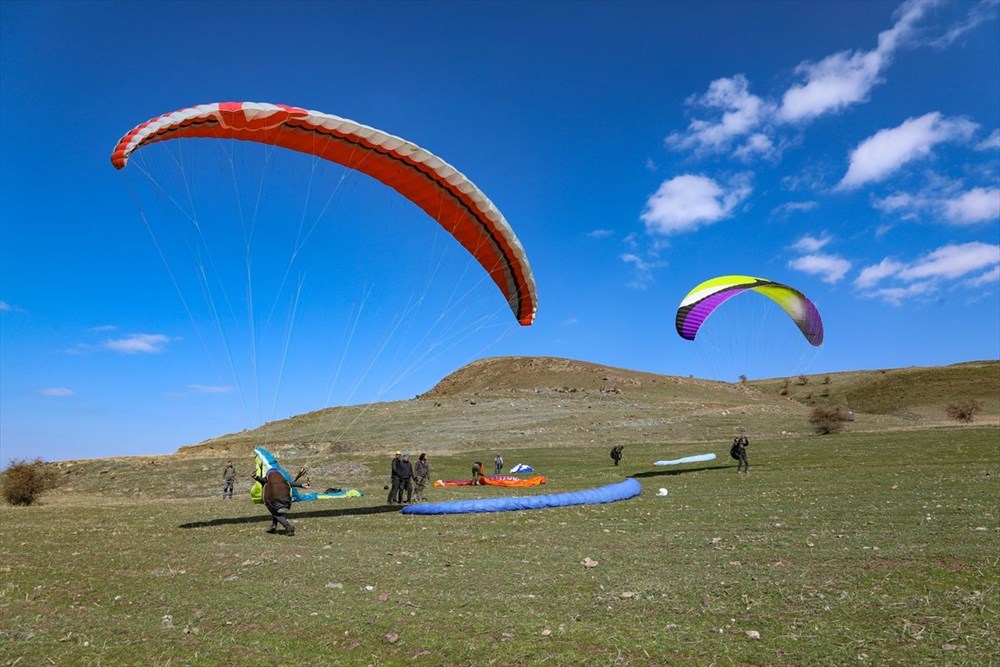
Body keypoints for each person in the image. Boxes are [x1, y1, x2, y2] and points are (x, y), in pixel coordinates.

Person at [250, 467, 310, 536]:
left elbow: (262, 480)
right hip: (287, 503)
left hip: (277, 502)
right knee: (275, 509)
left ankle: (288, 527)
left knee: (275, 512)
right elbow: (292, 484)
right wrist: (302, 485)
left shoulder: (268, 481)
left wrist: (255, 476)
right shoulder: (284, 481)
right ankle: (273, 526)